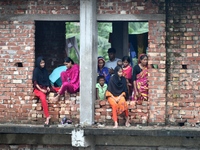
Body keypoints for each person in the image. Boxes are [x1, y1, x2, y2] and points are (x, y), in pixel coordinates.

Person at [32, 56, 51, 127]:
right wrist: (41, 89)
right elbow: (35, 82)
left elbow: (47, 80)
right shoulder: (36, 70)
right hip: (38, 89)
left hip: (44, 87)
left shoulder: (45, 70)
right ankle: (47, 117)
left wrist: (48, 87)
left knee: (55, 89)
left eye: (43, 62)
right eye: (41, 63)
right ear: (38, 63)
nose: (43, 64)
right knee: (43, 99)